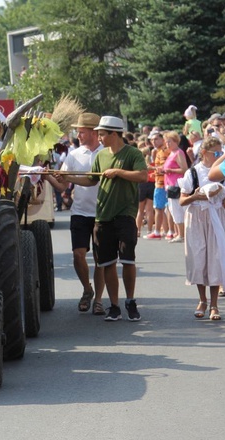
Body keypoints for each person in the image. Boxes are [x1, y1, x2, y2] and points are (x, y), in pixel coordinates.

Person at [69, 116, 147, 321]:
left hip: (125, 215)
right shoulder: (101, 156)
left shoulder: (133, 153)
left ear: (114, 133)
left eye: (102, 133)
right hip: (102, 216)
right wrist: (68, 178)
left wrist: (119, 172)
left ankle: (130, 301)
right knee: (107, 263)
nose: (100, 137)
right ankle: (114, 306)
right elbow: (91, 179)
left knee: (128, 260)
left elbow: (142, 176)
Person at [47, 113, 106, 315]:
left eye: (82, 131)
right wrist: (47, 176)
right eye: (78, 131)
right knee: (78, 255)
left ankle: (98, 299)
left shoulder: (106, 153)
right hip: (80, 211)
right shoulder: (74, 154)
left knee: (101, 259)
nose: (78, 134)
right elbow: (63, 184)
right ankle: (87, 289)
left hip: (102, 212)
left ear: (93, 133)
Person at [179, 136, 225, 321]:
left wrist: (222, 197)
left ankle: (214, 304)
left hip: (216, 217)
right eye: (216, 153)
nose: (220, 156)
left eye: (221, 152)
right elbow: (182, 200)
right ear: (204, 153)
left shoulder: (223, 175)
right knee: (199, 259)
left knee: (216, 259)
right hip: (196, 218)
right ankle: (202, 300)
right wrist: (195, 197)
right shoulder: (193, 173)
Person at [161, 131, 188, 243]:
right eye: (166, 142)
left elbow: (184, 169)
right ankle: (178, 232)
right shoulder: (171, 154)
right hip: (169, 184)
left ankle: (181, 234)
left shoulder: (178, 153)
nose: (167, 144)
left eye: (169, 141)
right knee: (172, 209)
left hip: (176, 184)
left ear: (176, 141)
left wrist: (170, 170)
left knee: (176, 209)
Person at [144, 131, 171, 239]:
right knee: (162, 208)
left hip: (162, 183)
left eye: (156, 139)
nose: (153, 142)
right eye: (151, 140)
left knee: (159, 208)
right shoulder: (159, 151)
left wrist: (151, 168)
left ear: (162, 139)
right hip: (160, 182)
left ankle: (159, 231)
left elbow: (164, 168)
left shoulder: (164, 151)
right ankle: (165, 230)